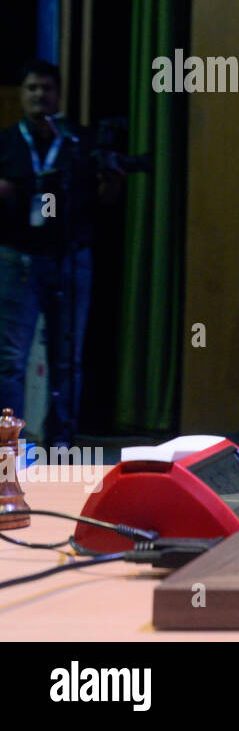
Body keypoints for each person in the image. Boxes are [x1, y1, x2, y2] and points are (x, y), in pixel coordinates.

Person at [0, 60, 122, 447]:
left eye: (47, 89)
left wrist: (113, 182)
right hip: (18, 258)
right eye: (32, 88)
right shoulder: (7, 143)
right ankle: (8, 443)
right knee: (11, 360)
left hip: (71, 259)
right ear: (22, 94)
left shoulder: (78, 143)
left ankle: (61, 440)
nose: (40, 95)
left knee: (67, 357)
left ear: (58, 94)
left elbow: (105, 203)